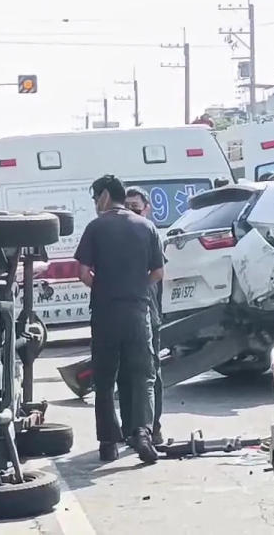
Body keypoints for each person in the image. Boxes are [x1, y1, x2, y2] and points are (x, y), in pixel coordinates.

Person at [75, 174, 164, 464]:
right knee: (142, 375)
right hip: (138, 312)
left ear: (103, 197)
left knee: (104, 378)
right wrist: (136, 289)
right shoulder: (146, 226)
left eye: (94, 199)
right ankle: (141, 433)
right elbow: (158, 273)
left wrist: (103, 288)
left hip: (105, 313)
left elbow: (83, 273)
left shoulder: (96, 227)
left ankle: (108, 443)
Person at [119, 186, 165, 445]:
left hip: (149, 312)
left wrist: (138, 288)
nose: (131, 211)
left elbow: (158, 273)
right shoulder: (121, 235)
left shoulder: (149, 233)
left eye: (136, 206)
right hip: (126, 312)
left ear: (147, 208)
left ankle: (152, 427)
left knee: (150, 373)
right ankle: (131, 430)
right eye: (127, 206)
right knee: (125, 373)